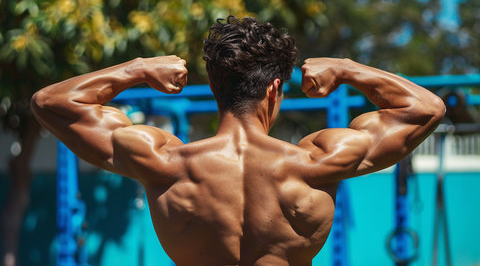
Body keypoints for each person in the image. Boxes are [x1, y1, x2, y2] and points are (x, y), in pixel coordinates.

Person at [31, 16, 445, 266]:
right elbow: (425, 110)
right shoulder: (318, 163)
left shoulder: (165, 162)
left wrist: (137, 69)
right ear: (275, 90)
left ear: (214, 88)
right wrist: (347, 68)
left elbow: (51, 103)